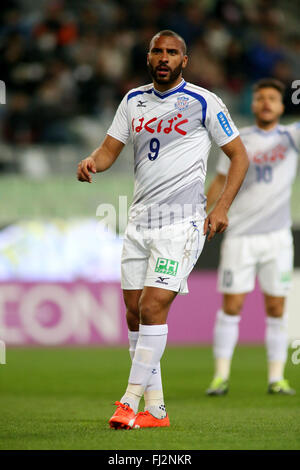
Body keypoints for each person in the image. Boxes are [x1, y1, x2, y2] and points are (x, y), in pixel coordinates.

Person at [77, 30, 249, 429]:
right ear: (148, 57)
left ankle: (127, 402)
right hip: (139, 222)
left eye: (172, 52)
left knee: (153, 307)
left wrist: (221, 207)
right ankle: (156, 411)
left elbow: (239, 155)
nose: (164, 57)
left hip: (182, 224)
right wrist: (92, 162)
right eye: (158, 51)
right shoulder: (132, 101)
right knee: (135, 315)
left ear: (184, 61)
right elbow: (108, 150)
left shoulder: (204, 102)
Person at [206, 78, 300, 397]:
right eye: (260, 98)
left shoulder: (291, 136)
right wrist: (205, 214)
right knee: (231, 306)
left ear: (282, 105)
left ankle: (276, 379)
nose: (266, 103)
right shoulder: (238, 140)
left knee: (277, 308)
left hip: (277, 238)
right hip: (240, 236)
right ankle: (220, 377)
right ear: (253, 103)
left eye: (272, 98)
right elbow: (219, 181)